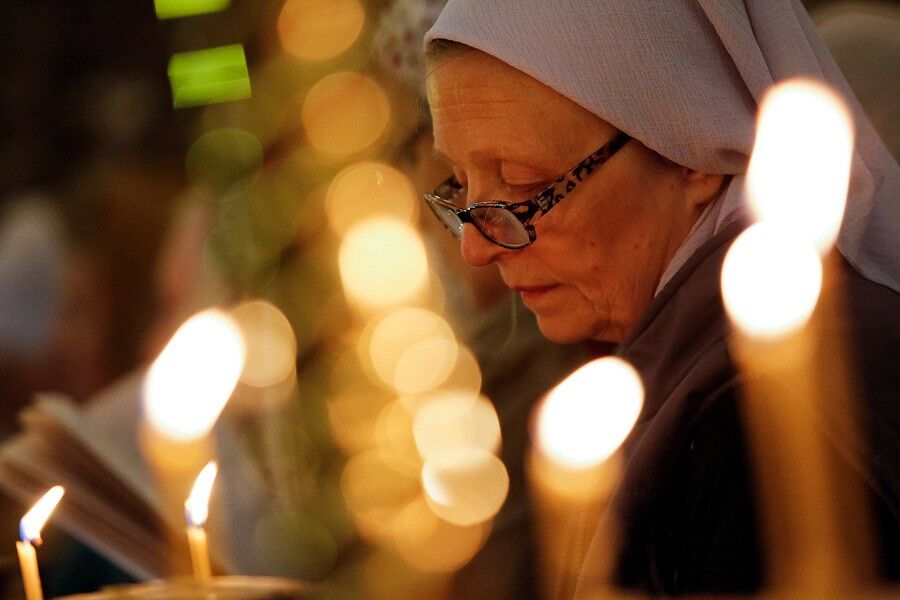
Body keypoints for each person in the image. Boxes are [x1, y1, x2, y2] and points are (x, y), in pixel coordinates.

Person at [419, 0, 900, 596]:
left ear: (692, 147)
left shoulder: (766, 434)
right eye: (459, 185)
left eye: (524, 185)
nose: (476, 249)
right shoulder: (676, 367)